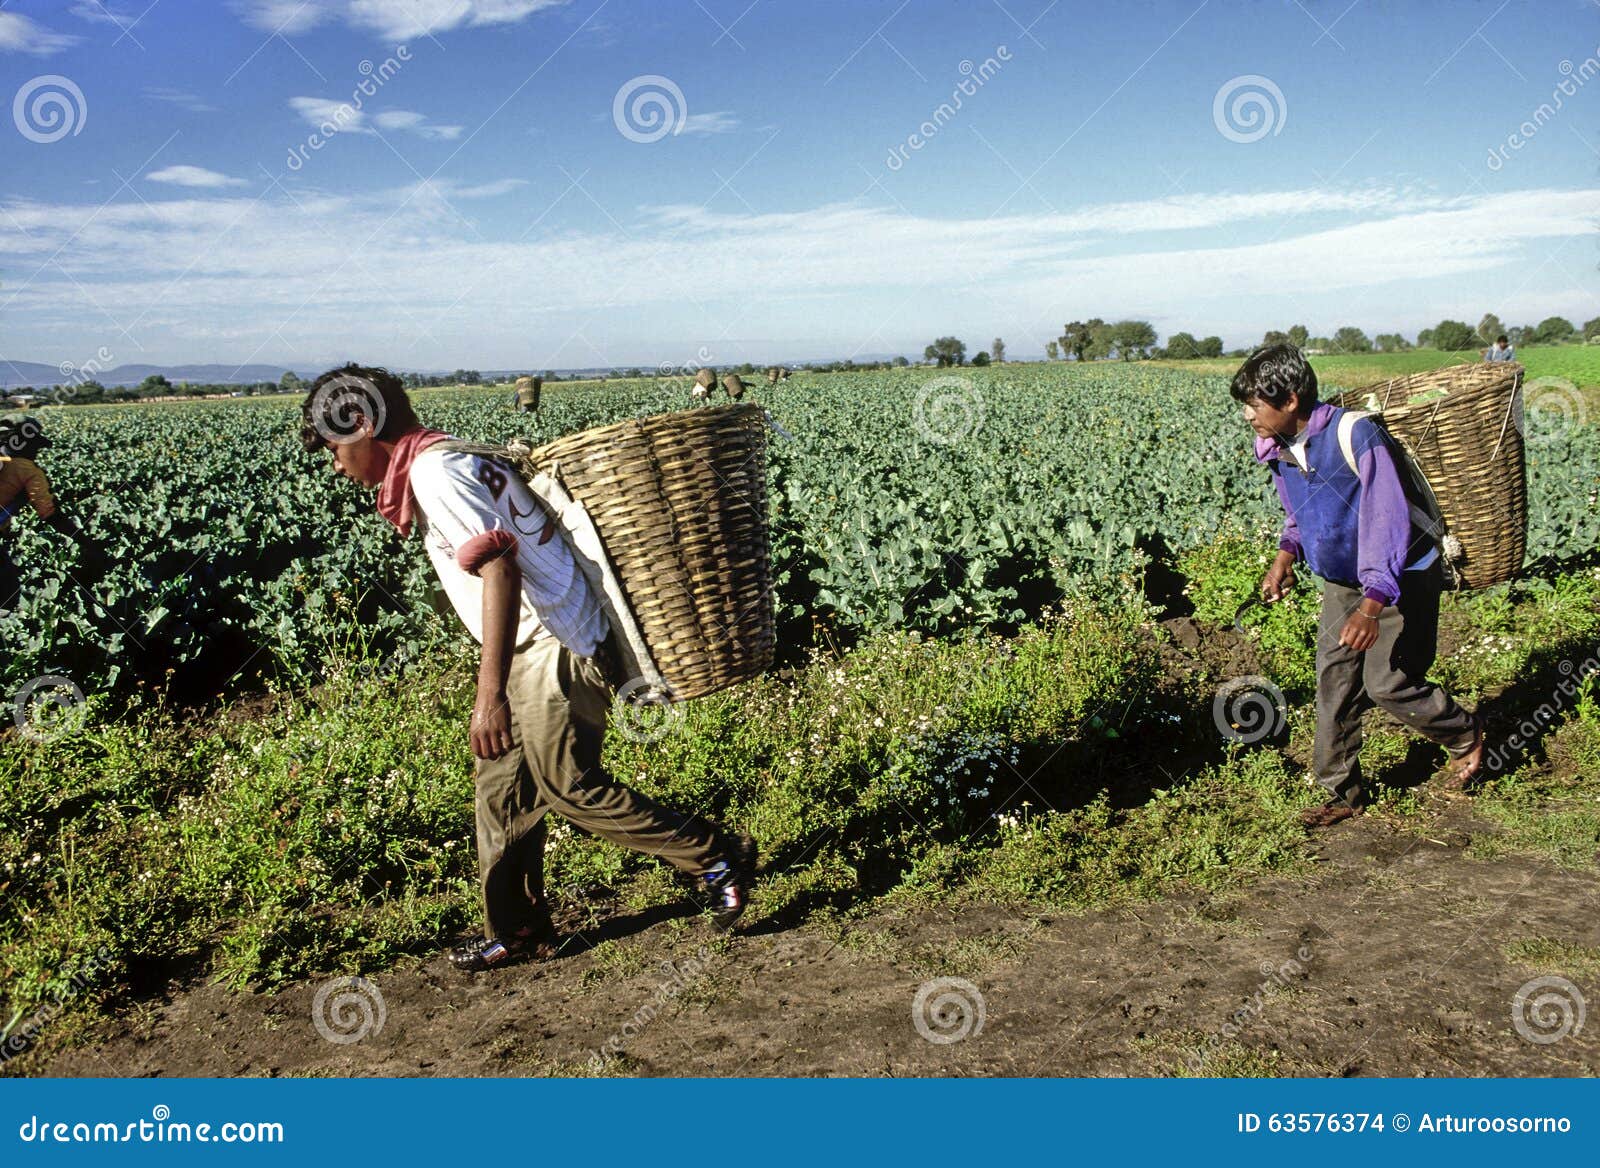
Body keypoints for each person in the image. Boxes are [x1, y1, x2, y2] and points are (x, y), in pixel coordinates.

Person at [299, 364, 754, 971]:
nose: (336, 466)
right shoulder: (447, 456)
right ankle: (516, 930)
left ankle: (715, 855)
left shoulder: (434, 474)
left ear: (361, 423)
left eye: (333, 449)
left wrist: (489, 694)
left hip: (553, 644)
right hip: (533, 644)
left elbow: (500, 569)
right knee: (500, 791)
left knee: (570, 786)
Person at [1230, 344, 1485, 828]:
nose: (1247, 416)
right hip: (1344, 580)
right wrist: (1284, 558)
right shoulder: (1280, 450)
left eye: (1254, 405)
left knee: (1387, 682)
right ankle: (1340, 792)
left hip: (1399, 576)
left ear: (1289, 400)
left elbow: (1388, 520)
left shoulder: (1356, 435)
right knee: (1334, 679)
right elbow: (1299, 515)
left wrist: (1371, 606)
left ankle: (1463, 732)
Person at [0, 417, 102, 610]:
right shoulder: (27, 470)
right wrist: (86, 543)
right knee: (8, 593)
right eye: (35, 447)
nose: (36, 453)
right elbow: (50, 514)